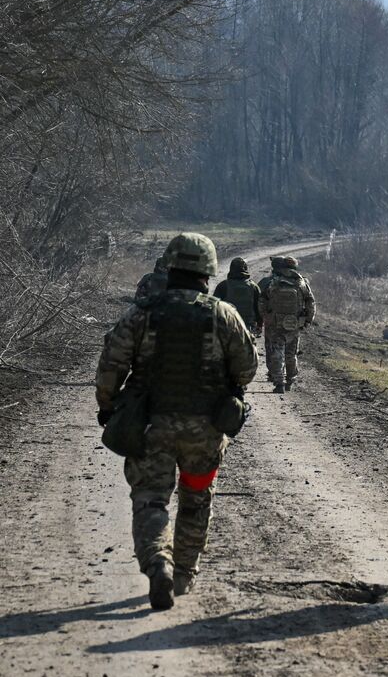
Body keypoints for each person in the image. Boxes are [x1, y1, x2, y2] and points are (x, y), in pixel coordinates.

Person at [96, 233, 257, 610]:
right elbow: (247, 369)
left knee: (151, 500)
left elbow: (111, 365)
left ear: (171, 266)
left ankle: (158, 565)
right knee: (196, 499)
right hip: (204, 434)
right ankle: (183, 573)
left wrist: (107, 405)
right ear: (208, 270)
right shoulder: (223, 314)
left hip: (151, 428)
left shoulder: (143, 312)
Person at [258, 256, 315, 393]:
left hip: (275, 324)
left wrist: (266, 316)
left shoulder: (274, 282)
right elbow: (310, 302)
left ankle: (279, 383)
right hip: (294, 324)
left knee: (277, 352)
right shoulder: (302, 283)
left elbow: (262, 301)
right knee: (291, 353)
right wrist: (308, 320)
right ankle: (290, 380)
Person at [213, 257, 264, 337]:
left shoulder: (223, 286)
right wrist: (260, 324)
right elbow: (259, 309)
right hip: (248, 328)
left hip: (227, 327)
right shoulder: (253, 287)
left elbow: (215, 307)